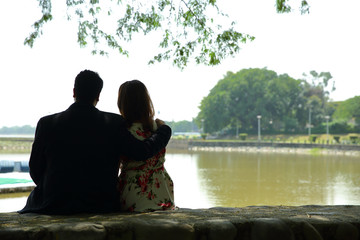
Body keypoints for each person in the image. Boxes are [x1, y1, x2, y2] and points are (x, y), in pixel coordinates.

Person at [19, 70, 171, 214]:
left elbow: (35, 170)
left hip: (52, 204)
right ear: (98, 95)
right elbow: (142, 151)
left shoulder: (46, 123)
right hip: (99, 204)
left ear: (74, 92)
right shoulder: (113, 123)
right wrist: (164, 130)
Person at [117, 80, 175, 212]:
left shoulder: (123, 131)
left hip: (133, 193)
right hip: (162, 191)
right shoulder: (158, 127)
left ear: (122, 104)